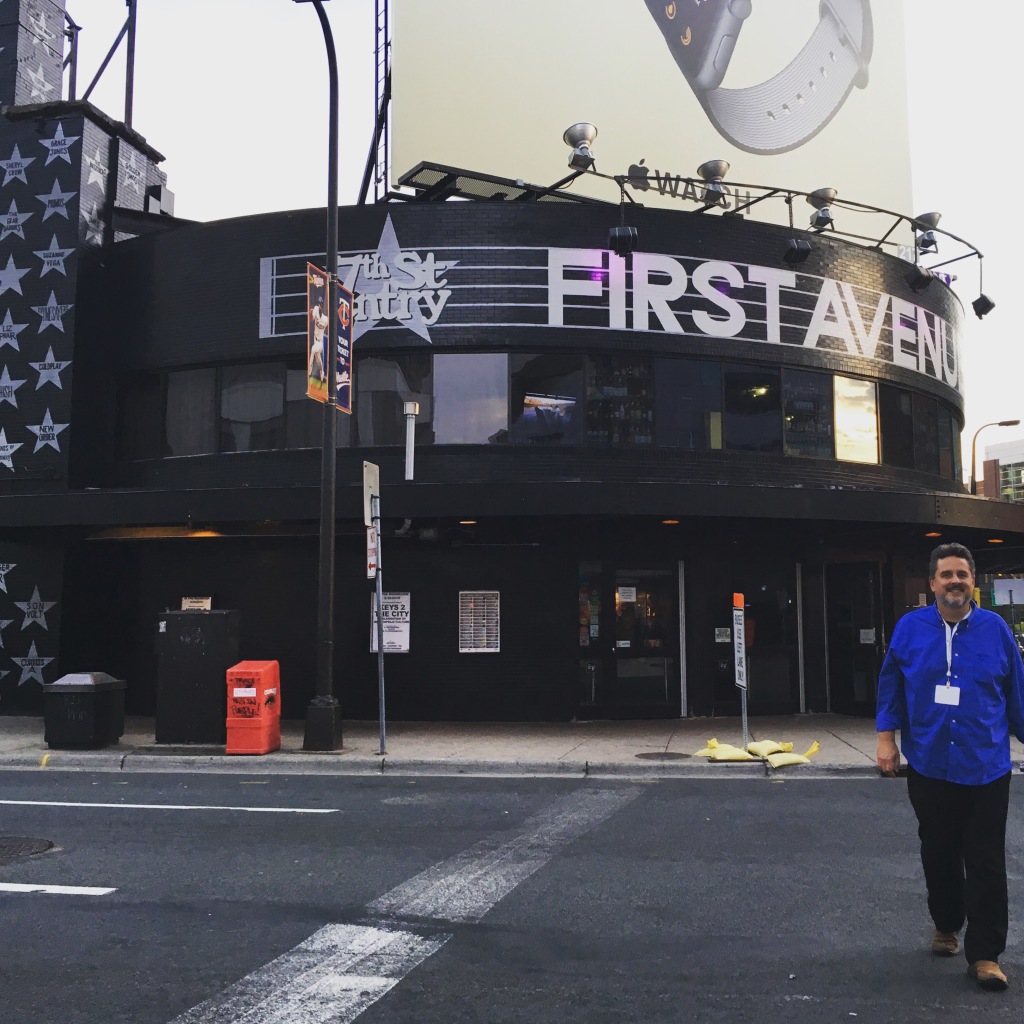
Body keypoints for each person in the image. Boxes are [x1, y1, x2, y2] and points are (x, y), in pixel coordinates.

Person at [877, 542, 1024, 992]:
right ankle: (946, 923)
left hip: (986, 766)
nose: (955, 581)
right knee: (938, 852)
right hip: (929, 764)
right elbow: (891, 682)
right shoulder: (909, 628)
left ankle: (985, 955)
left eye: (962, 573)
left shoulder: (996, 630)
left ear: (973, 581)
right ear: (932, 583)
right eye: (946, 574)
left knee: (985, 859)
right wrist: (886, 738)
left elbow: (1017, 692)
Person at [308, 294, 328, 382]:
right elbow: (313, 318)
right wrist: (312, 313)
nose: (318, 306)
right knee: (318, 359)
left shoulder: (325, 319)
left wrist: (316, 317)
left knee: (312, 351)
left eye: (320, 304)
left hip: (320, 342)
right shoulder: (316, 311)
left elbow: (320, 324)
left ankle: (309, 372)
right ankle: (322, 371)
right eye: (318, 304)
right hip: (315, 340)